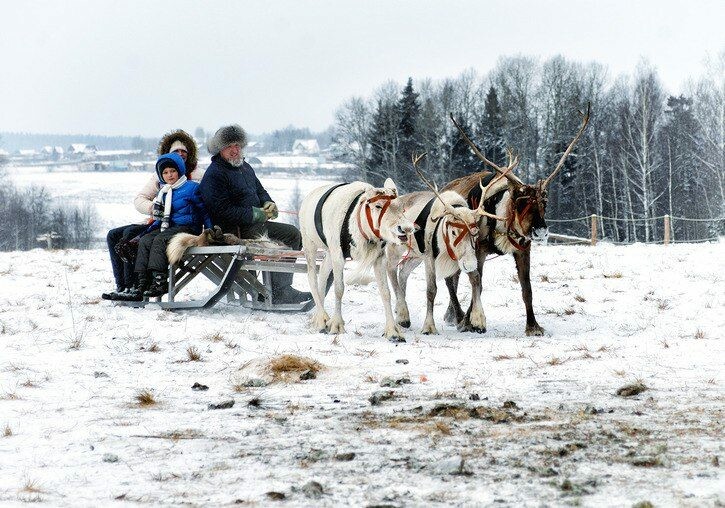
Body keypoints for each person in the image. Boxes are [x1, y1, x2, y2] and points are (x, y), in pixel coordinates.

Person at [199, 124, 311, 304]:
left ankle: (281, 289)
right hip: (233, 231)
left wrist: (269, 203)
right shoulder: (215, 174)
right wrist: (254, 214)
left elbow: (260, 191)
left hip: (255, 225)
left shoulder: (246, 167)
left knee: (292, 234)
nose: (235, 150)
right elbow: (221, 210)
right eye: (229, 146)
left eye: (237, 145)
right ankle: (274, 290)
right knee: (285, 235)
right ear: (220, 149)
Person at [102, 130, 199, 300]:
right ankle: (123, 285)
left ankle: (135, 286)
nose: (180, 154)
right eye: (176, 151)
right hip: (158, 221)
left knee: (128, 235)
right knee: (113, 235)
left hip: (180, 224)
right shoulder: (161, 173)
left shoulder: (197, 175)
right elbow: (140, 199)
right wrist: (155, 208)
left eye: (184, 151)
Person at [123, 152, 211, 301]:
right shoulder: (163, 192)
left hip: (188, 227)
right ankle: (142, 283)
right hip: (169, 227)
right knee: (145, 240)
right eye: (165, 172)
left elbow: (204, 210)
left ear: (180, 171)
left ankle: (159, 281)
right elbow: (160, 218)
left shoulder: (192, 188)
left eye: (173, 171)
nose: (169, 175)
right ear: (161, 175)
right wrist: (145, 233)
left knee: (160, 240)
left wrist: (209, 229)